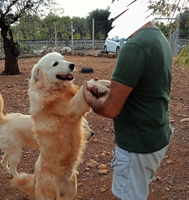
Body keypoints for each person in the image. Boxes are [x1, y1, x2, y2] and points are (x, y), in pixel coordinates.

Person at [83, 20, 173, 200]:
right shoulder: (159, 38)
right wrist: (108, 87)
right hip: (156, 135)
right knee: (143, 188)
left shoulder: (135, 46)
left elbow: (110, 110)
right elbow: (142, 87)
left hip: (137, 145)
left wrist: (89, 98)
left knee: (127, 195)